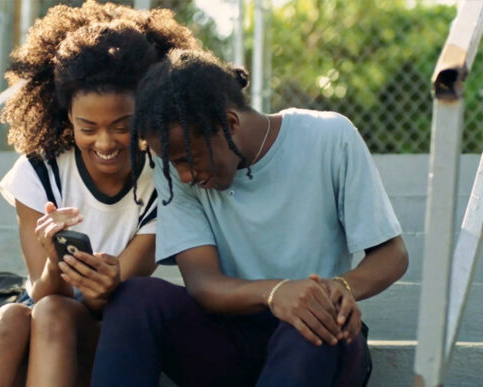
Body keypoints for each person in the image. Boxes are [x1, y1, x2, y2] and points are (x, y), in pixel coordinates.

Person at [91, 49, 409, 386]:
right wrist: (276, 293)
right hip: (232, 341)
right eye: (175, 164)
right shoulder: (177, 172)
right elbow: (202, 284)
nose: (184, 176)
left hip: (319, 343)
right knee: (133, 298)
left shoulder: (328, 136)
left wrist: (339, 287)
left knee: (310, 319)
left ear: (229, 123)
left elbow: (392, 255)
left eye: (191, 159)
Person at [0, 2, 199, 387]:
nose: (105, 142)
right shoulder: (39, 170)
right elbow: (42, 292)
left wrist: (102, 282)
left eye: (122, 126)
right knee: (9, 317)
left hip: (111, 332)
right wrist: (55, 262)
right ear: (67, 115)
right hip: (39, 319)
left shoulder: (163, 181)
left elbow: (106, 299)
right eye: (88, 126)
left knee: (53, 313)